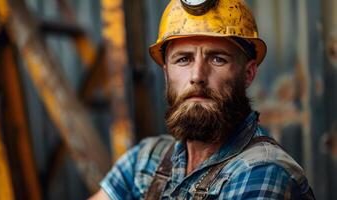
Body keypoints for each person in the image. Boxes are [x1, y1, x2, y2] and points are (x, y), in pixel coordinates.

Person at [90, 0, 315, 199]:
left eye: (217, 59)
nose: (197, 76)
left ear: (248, 73)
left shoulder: (263, 171)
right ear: (166, 72)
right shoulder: (145, 160)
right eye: (183, 59)